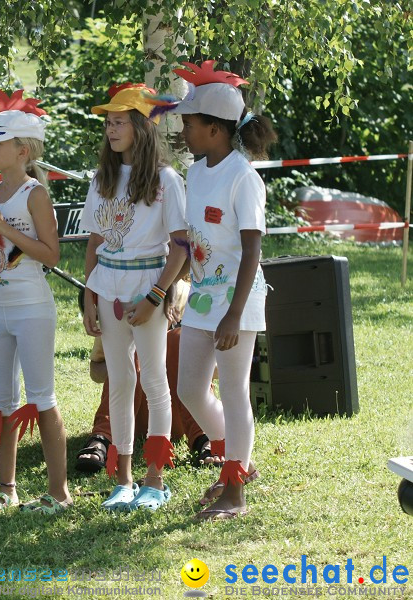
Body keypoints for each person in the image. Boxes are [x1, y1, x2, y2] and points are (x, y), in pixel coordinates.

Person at [154, 60, 277, 520]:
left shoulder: (244, 177)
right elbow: (189, 241)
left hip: (236, 302)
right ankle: (238, 463)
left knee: (234, 391)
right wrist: (172, 285)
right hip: (203, 297)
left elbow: (251, 253)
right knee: (189, 388)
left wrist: (234, 314)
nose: (183, 131)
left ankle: (234, 491)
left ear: (215, 129)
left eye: (189, 123)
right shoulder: (198, 171)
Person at [80, 83, 189, 512]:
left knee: (154, 381)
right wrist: (89, 297)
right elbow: (94, 243)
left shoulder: (167, 180)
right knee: (120, 381)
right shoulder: (102, 178)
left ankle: (155, 480)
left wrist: (156, 296)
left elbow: (180, 245)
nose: (111, 129)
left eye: (120, 121)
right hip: (108, 290)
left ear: (142, 127)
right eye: (108, 122)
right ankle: (123, 480)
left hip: (149, 289)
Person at [0, 87, 72, 514]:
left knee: (41, 397)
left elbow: (50, 255)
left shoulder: (35, 194)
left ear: (22, 150)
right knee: (2, 400)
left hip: (32, 308)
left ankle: (58, 493)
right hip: (1, 309)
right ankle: (6, 488)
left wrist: (4, 230)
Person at [75, 280, 222, 474]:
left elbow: (218, 372)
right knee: (132, 348)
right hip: (133, 411)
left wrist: (178, 348)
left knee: (178, 339)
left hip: (178, 407)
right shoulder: (120, 293)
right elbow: (96, 372)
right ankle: (102, 437)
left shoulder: (194, 293)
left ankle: (204, 438)